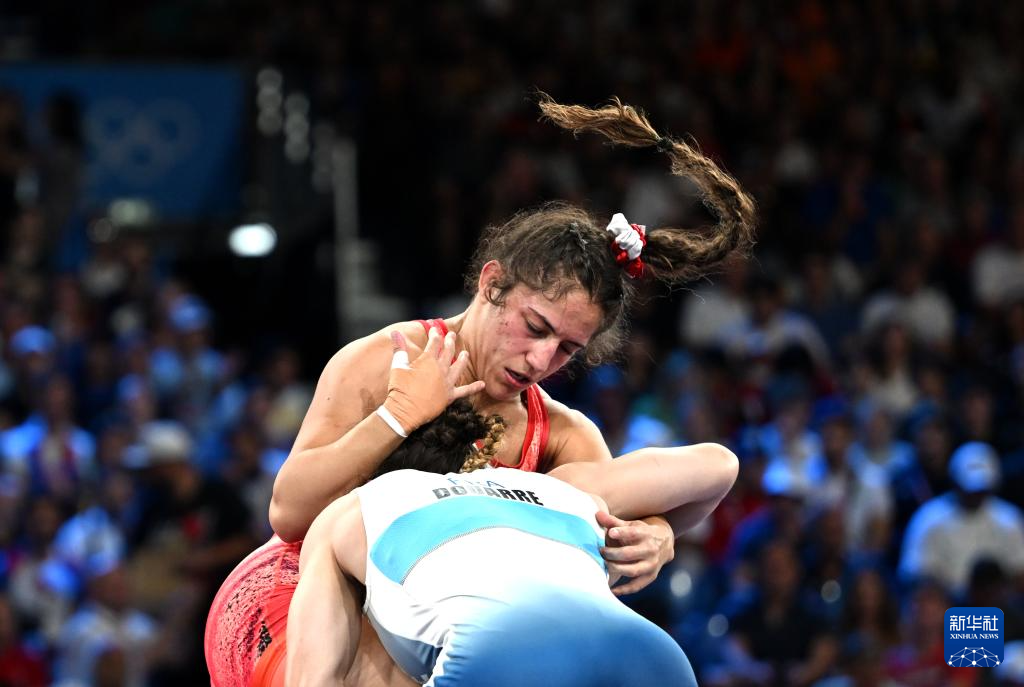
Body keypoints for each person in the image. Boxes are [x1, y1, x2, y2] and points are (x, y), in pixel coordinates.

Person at [206, 94, 757, 686]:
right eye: (535, 327)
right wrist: (396, 416)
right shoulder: (385, 360)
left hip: (436, 627)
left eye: (567, 349)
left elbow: (582, 571)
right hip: (295, 600)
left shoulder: (565, 436)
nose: (542, 360)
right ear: (492, 284)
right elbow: (289, 515)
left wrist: (659, 535)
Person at [274, 399, 736, 687]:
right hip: (651, 656)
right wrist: (663, 532)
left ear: (380, 467)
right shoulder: (556, 487)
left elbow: (314, 679)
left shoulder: (352, 508)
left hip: (492, 656)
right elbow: (719, 465)